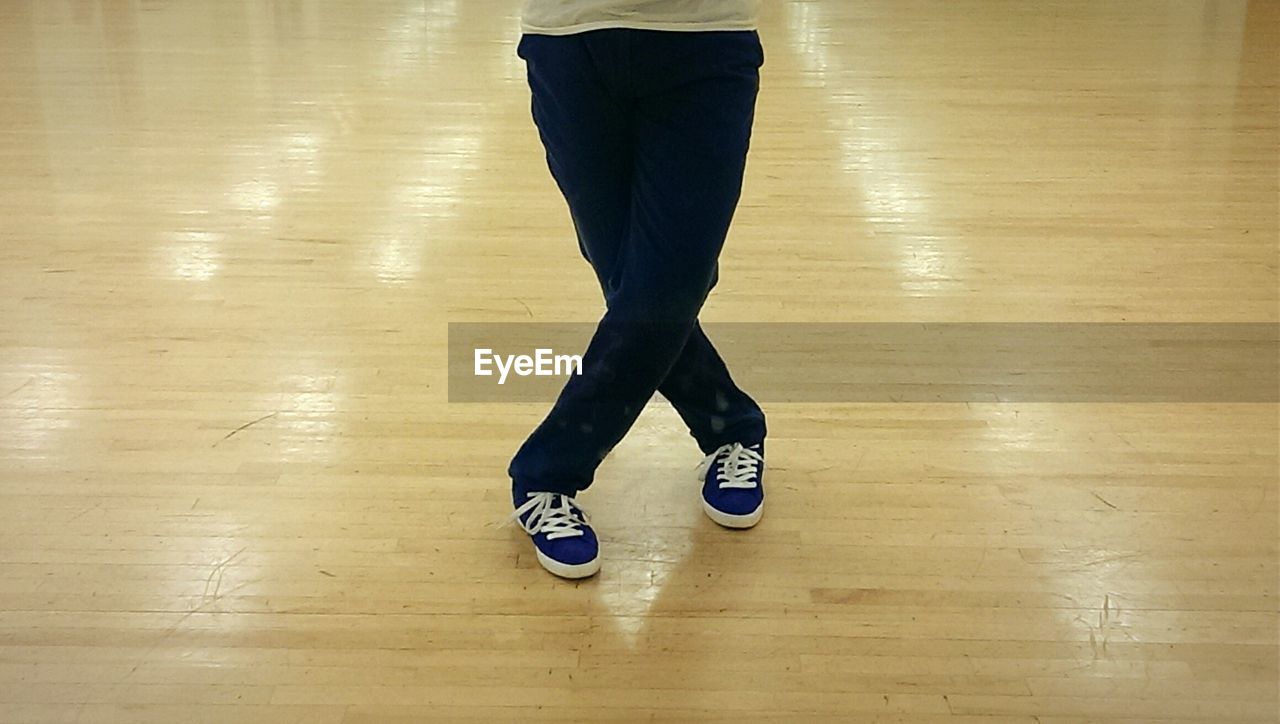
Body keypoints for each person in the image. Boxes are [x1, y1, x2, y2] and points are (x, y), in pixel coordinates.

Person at [506, 0, 768, 579]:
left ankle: (547, 471)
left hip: (705, 37)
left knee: (669, 280)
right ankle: (730, 425)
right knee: (632, 280)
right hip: (569, 40)